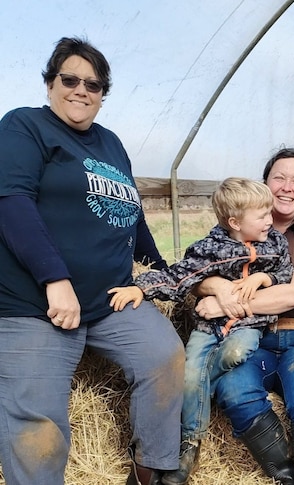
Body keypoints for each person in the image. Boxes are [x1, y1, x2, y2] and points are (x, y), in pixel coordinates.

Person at [0, 37, 183, 485]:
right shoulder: (25, 127)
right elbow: (11, 201)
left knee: (165, 356)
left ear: (103, 94)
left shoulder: (111, 143)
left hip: (110, 298)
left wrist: (158, 270)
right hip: (36, 303)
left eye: (94, 84)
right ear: (50, 83)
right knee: (38, 424)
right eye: (70, 79)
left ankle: (151, 468)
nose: (81, 90)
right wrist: (53, 278)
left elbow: (131, 214)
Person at [108, 177, 294, 485]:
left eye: (269, 213)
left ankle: (195, 404)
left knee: (235, 354)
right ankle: (190, 444)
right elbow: (178, 277)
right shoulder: (210, 249)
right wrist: (141, 288)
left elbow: (285, 272)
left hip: (248, 326)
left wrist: (262, 280)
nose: (270, 221)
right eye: (262, 215)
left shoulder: (274, 244)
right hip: (208, 328)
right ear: (234, 221)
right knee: (189, 372)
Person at [195, 148, 294, 485]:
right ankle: (286, 476)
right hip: (253, 338)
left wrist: (227, 304)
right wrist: (215, 286)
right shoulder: (233, 230)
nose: (287, 187)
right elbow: (197, 276)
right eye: (279, 178)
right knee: (233, 390)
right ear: (265, 183)